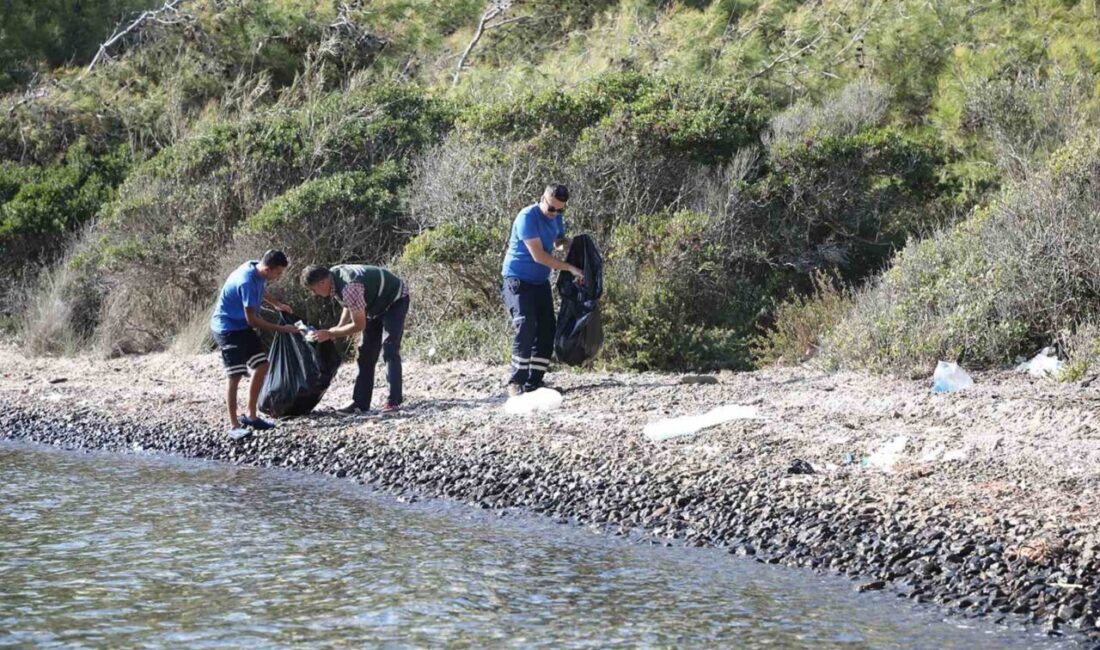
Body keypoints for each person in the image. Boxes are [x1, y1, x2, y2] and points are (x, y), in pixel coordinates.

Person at [501, 184, 584, 397]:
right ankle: (516, 381)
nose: (554, 213)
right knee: (525, 324)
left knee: (547, 328)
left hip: (539, 281)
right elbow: (539, 255)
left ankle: (534, 381)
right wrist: (570, 268)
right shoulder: (527, 217)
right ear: (542, 199)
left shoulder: (556, 217)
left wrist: (568, 244)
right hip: (518, 279)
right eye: (551, 208)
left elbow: (556, 242)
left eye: (560, 210)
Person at [210, 250, 298, 440]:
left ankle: (251, 416)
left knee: (262, 365)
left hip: (241, 326)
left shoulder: (255, 266)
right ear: (268, 269)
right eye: (278, 273)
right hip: (227, 329)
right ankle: (234, 426)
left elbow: (262, 289)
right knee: (235, 375)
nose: (279, 277)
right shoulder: (246, 280)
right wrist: (282, 329)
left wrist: (277, 304)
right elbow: (253, 321)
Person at [300, 263, 409, 415]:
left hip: (395, 299)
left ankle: (394, 401)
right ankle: (360, 403)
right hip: (374, 305)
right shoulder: (334, 276)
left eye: (313, 289)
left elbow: (359, 325)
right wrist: (338, 327)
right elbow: (349, 305)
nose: (314, 293)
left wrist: (332, 333)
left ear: (322, 282)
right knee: (366, 354)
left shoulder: (350, 286)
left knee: (390, 348)